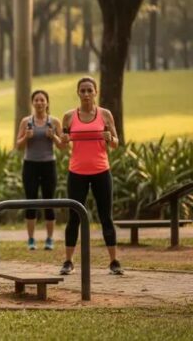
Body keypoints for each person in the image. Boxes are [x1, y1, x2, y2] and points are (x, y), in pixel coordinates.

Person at [59, 76, 124, 275]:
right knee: (74, 218)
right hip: (77, 172)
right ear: (78, 93)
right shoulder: (69, 117)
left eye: (90, 90)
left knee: (106, 217)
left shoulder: (105, 115)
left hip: (101, 171)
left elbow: (115, 143)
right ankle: (68, 262)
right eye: (83, 90)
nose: (86, 94)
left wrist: (109, 137)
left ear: (95, 92)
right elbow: (63, 146)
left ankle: (114, 262)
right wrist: (63, 139)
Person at [15, 90, 63, 251]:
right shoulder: (26, 122)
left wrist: (54, 137)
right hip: (30, 165)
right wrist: (26, 137)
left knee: (49, 201)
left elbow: (64, 146)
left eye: (42, 100)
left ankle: (49, 239)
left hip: (49, 164)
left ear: (47, 103)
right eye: (36, 100)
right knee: (31, 201)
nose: (39, 103)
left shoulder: (54, 122)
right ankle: (31, 239)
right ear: (32, 103)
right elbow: (18, 146)